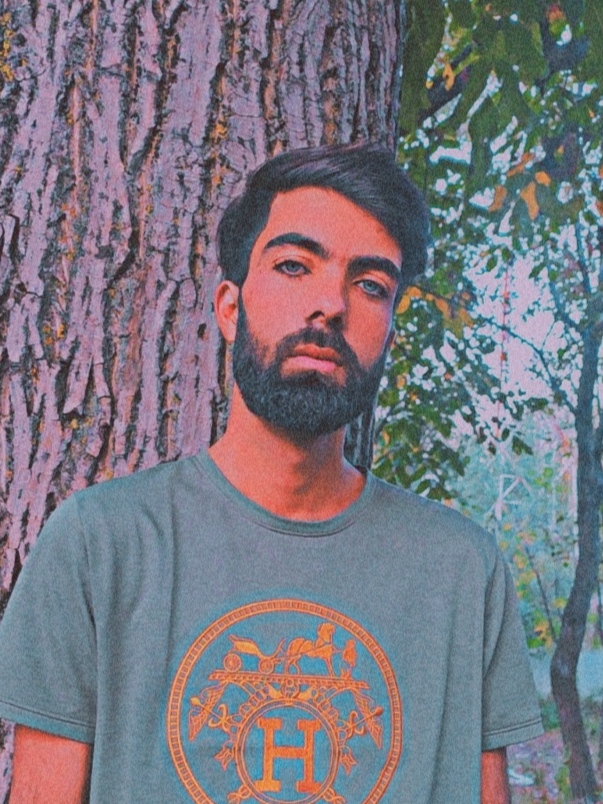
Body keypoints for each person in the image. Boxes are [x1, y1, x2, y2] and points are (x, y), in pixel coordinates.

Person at [0, 143, 542, 803]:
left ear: (389, 336)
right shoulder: (98, 545)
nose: (330, 304)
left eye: (371, 285)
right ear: (230, 308)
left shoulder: (462, 572)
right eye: (293, 266)